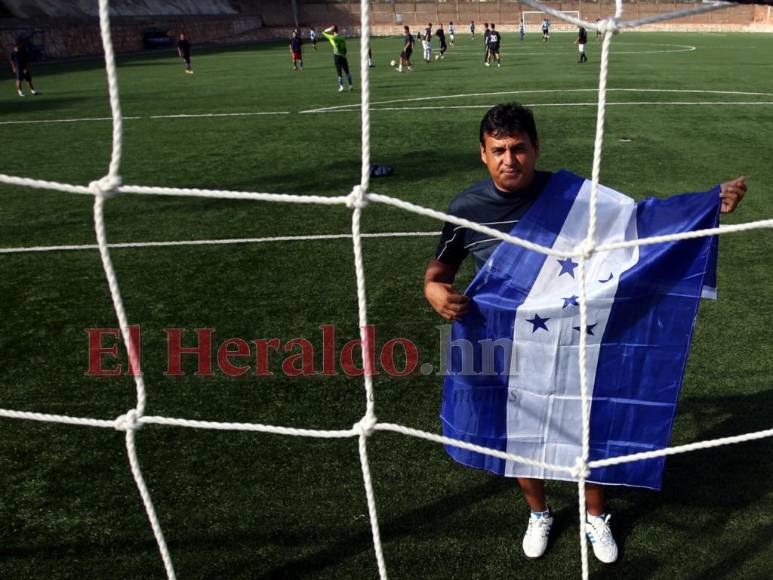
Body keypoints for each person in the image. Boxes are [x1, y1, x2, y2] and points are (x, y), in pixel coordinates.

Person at [424, 102, 747, 563]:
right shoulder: (466, 207)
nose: (509, 159)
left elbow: (639, 224)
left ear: (536, 149)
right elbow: (442, 265)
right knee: (519, 434)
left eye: (518, 148)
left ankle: (595, 515)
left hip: (576, 339)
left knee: (583, 426)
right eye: (498, 150)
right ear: (482, 153)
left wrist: (706, 203)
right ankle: (539, 512)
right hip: (506, 341)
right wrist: (433, 289)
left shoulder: (573, 198)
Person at [322, 25, 353, 92]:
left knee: (339, 72)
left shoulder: (332, 37)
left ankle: (341, 87)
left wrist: (329, 29)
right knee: (347, 71)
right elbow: (345, 49)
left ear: (333, 31)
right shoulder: (342, 38)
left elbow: (323, 33)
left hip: (336, 56)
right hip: (343, 56)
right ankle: (350, 85)